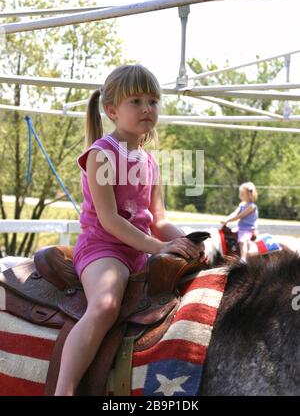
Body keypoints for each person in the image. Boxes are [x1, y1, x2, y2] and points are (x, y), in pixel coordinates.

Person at [54, 64, 203, 396]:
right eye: (135, 101)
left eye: (153, 100)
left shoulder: (149, 160)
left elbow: (158, 218)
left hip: (140, 251)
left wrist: (184, 242)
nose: (147, 108)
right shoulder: (101, 155)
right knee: (106, 305)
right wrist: (157, 247)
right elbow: (109, 219)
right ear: (112, 110)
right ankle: (64, 388)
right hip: (103, 249)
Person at [221, 182, 258, 263]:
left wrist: (228, 220)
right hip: (241, 228)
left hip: (248, 229)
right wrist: (226, 219)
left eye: (242, 194)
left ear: (249, 195)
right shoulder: (242, 204)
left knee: (243, 241)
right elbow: (235, 213)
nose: (240, 196)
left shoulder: (251, 206)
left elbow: (240, 216)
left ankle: (243, 259)